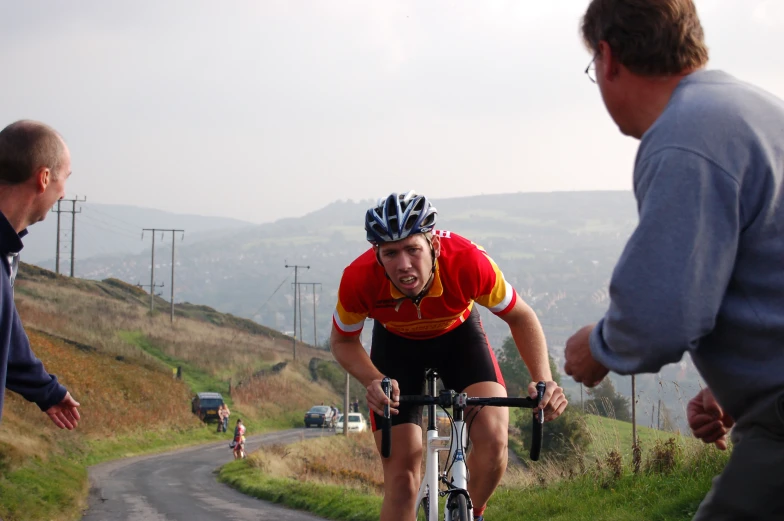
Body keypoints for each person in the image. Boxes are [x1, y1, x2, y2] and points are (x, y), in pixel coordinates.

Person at [563, 1, 784, 519]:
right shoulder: (755, 110)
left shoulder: (686, 138)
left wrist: (596, 348)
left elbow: (660, 314)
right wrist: (733, 385)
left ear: (608, 57)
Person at [330, 191, 567, 521]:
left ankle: (471, 512)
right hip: (396, 348)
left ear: (433, 247)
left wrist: (543, 379)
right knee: (402, 480)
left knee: (495, 440)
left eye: (413, 249)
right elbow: (342, 341)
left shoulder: (468, 261)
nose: (403, 264)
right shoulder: (359, 278)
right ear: (377, 254)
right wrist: (373, 380)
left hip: (459, 340)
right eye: (391, 253)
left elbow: (521, 316)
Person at [0, 120, 81, 429]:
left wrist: (45, 389)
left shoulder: (6, 247)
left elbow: (4, 325)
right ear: (44, 178)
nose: (64, 193)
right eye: (65, 179)